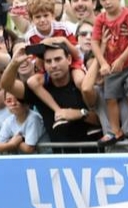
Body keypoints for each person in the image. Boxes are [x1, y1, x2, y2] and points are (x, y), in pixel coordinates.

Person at [1, 42, 100, 149]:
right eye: (48, 61)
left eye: (58, 59)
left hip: (94, 155)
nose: (53, 65)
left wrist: (79, 114)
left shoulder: (82, 83)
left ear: (69, 59)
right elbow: (7, 85)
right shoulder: (39, 88)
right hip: (59, 157)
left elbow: (102, 120)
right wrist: (14, 64)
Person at [90, 0, 128, 146]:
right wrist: (103, 62)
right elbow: (94, 42)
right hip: (111, 67)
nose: (107, 2)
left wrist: (122, 59)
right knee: (110, 98)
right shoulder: (100, 19)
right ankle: (115, 131)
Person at [23, 0, 84, 129]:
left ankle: (90, 110)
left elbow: (77, 54)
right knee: (32, 82)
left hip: (70, 61)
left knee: (80, 81)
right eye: (37, 17)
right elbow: (37, 65)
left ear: (52, 15)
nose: (42, 20)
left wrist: (63, 41)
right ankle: (58, 110)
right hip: (48, 67)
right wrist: (42, 49)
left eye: (46, 15)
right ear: (32, 19)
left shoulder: (63, 28)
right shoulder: (30, 36)